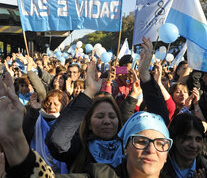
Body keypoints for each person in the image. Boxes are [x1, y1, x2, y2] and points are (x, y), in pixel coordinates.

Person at [0, 73, 172, 177]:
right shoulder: (88, 159)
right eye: (100, 116)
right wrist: (12, 138)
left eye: (112, 116)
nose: (151, 149)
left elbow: (158, 125)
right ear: (88, 123)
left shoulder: (132, 144)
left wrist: (146, 78)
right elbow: (56, 142)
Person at [160, 113, 207, 178]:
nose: (194, 145)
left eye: (198, 139)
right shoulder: (159, 169)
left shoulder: (204, 168)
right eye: (188, 138)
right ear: (174, 139)